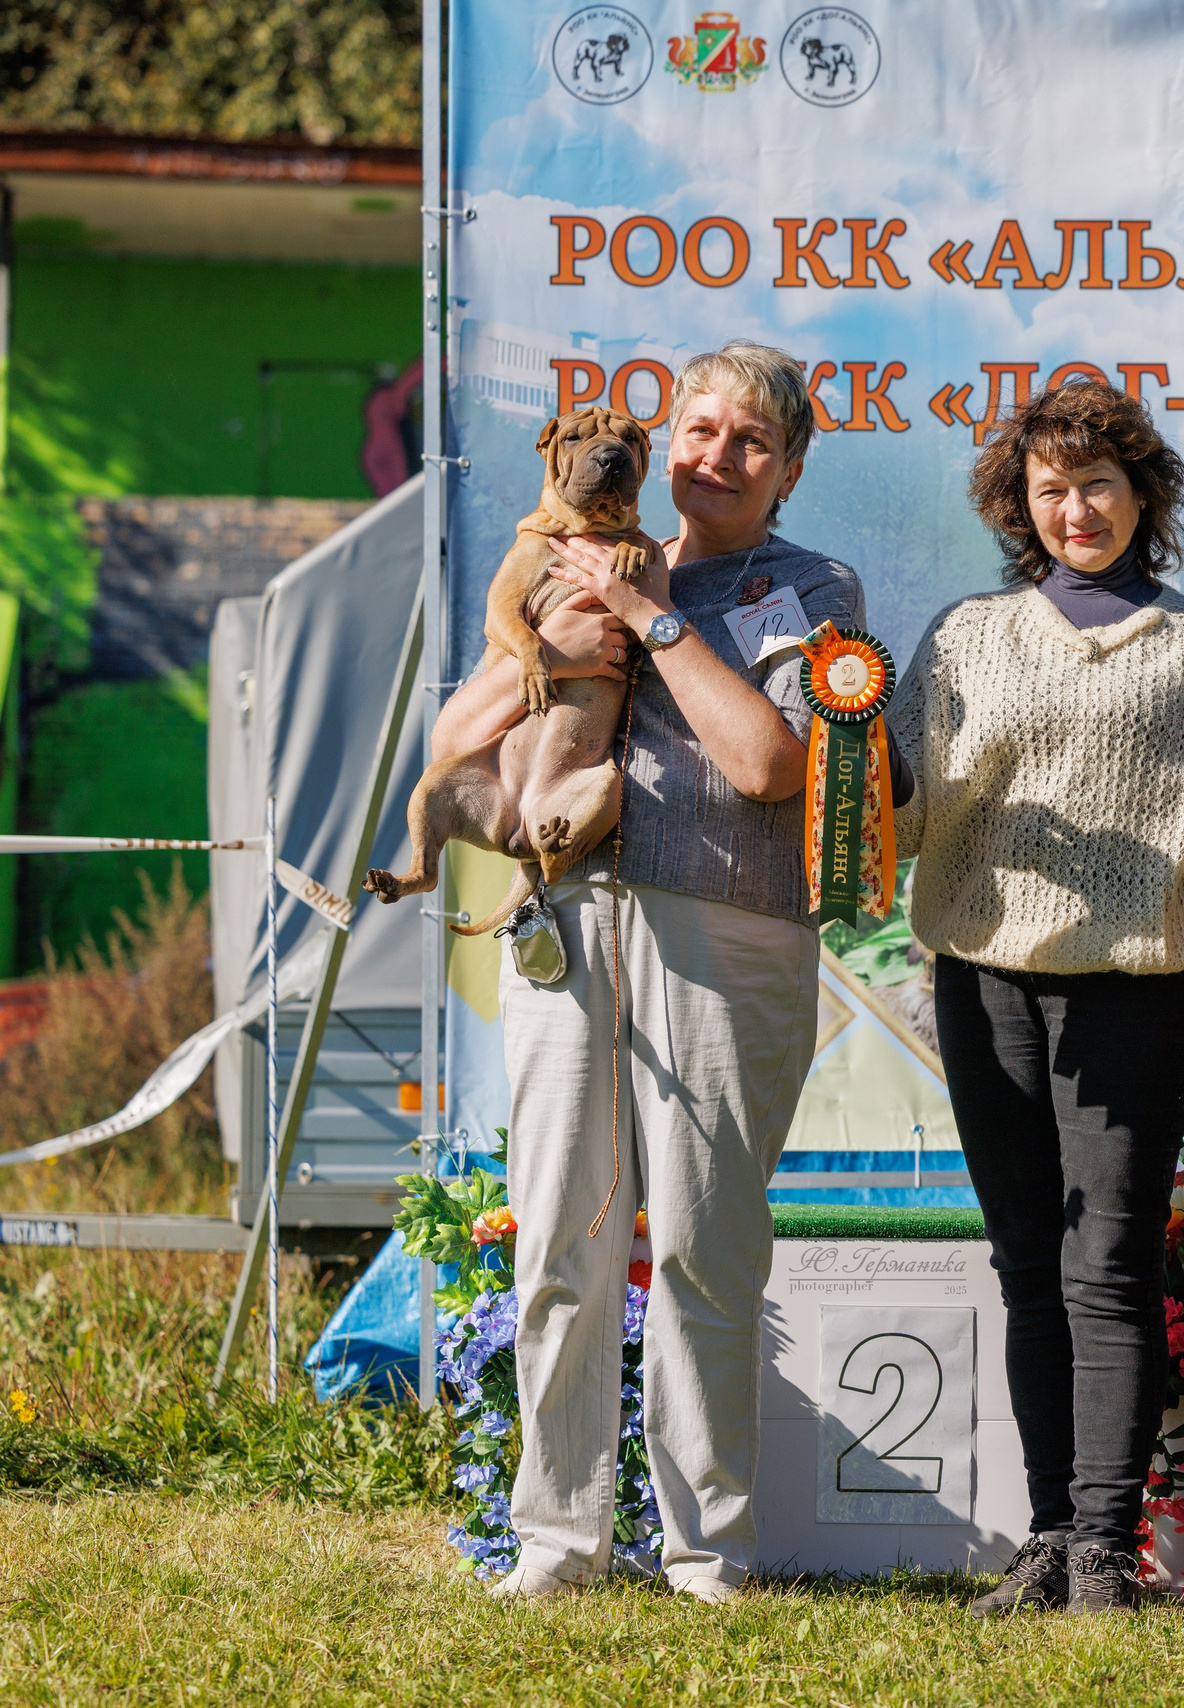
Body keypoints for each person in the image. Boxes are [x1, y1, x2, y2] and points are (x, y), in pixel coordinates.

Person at [430, 340, 867, 1603]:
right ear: (661, 440)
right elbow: (460, 736)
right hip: (567, 919)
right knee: (559, 1234)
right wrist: (548, 645)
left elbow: (769, 767)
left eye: (749, 440)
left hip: (729, 932)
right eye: (699, 427)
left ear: (786, 469)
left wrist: (648, 619)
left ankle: (705, 1552)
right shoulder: (573, 549)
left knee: (701, 1247)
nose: (713, 455)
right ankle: (559, 1541)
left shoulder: (811, 586)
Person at [884, 378, 1184, 1616]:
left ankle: (1107, 1548)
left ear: (1143, 491)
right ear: (1020, 503)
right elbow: (899, 817)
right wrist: (846, 762)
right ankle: (1048, 1536)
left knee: (1106, 1261)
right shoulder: (961, 637)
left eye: (1097, 483)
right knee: (1023, 1264)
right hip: (985, 981)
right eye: (1048, 489)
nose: (1074, 509)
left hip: (1143, 993)